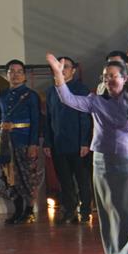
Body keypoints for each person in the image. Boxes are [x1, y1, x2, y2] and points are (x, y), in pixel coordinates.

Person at [46, 53, 128, 254]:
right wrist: (58, 74)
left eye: (113, 76)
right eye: (106, 77)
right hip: (103, 162)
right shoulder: (95, 101)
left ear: (125, 79)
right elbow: (68, 99)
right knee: (109, 209)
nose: (109, 80)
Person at [0, 59, 43, 224]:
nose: (15, 75)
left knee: (26, 177)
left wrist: (33, 144)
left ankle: (29, 211)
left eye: (19, 72)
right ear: (6, 75)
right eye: (11, 72)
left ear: (24, 75)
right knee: (9, 178)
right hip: (4, 142)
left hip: (23, 140)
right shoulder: (2, 95)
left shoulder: (31, 95)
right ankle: (17, 210)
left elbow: (36, 121)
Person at [46, 57, 95, 226]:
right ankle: (69, 210)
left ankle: (85, 211)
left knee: (82, 180)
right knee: (64, 180)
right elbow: (49, 118)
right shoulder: (51, 90)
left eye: (66, 67)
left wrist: (84, 142)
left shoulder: (81, 89)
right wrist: (48, 142)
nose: (62, 69)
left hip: (78, 143)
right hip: (59, 143)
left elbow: (85, 118)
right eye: (59, 67)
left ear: (73, 70)